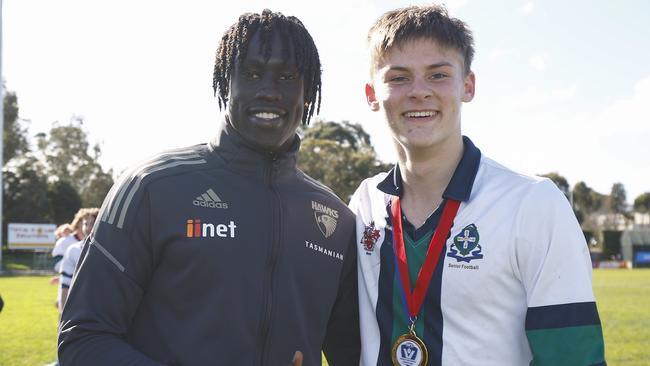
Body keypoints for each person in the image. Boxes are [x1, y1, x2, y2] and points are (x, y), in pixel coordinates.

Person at [58, 9, 359, 366]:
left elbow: (354, 354)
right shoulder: (150, 186)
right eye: (251, 73)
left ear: (307, 93)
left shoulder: (336, 220)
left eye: (287, 76)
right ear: (224, 83)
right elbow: (83, 339)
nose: (268, 91)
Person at [349, 5, 606, 366]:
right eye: (398, 77)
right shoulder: (363, 204)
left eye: (438, 75)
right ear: (371, 94)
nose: (419, 91)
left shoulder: (533, 203)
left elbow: (572, 357)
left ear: (467, 86)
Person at [57, 208, 99, 314]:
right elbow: (64, 285)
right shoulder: (73, 250)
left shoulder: (112, 251)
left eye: (93, 223)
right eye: (86, 224)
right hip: (78, 311)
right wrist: (62, 315)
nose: (89, 228)